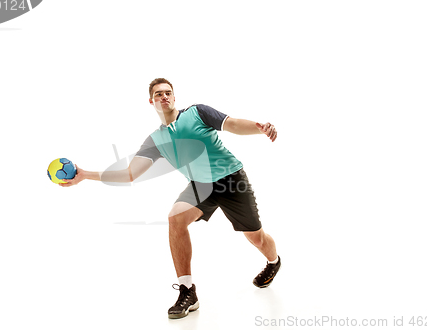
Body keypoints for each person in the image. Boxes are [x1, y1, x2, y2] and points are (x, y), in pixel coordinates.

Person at [61, 78, 281, 319]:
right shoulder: (155, 140)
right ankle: (188, 291)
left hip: (232, 180)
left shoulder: (197, 113)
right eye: (158, 94)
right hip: (201, 186)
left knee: (257, 239)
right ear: (151, 101)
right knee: (175, 218)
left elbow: (233, 124)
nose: (164, 97)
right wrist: (84, 175)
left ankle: (274, 261)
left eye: (168, 93)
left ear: (174, 97)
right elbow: (129, 173)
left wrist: (259, 127)